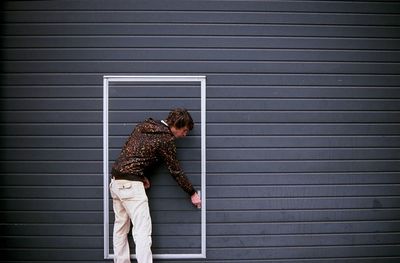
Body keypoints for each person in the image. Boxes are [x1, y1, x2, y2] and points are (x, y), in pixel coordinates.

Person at [109, 108, 202, 263]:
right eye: (185, 130)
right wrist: (192, 192)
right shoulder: (167, 139)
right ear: (176, 125)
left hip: (116, 181)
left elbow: (130, 151)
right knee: (142, 231)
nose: (185, 135)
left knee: (120, 229)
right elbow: (175, 170)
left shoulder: (145, 125)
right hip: (131, 186)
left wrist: (140, 175)